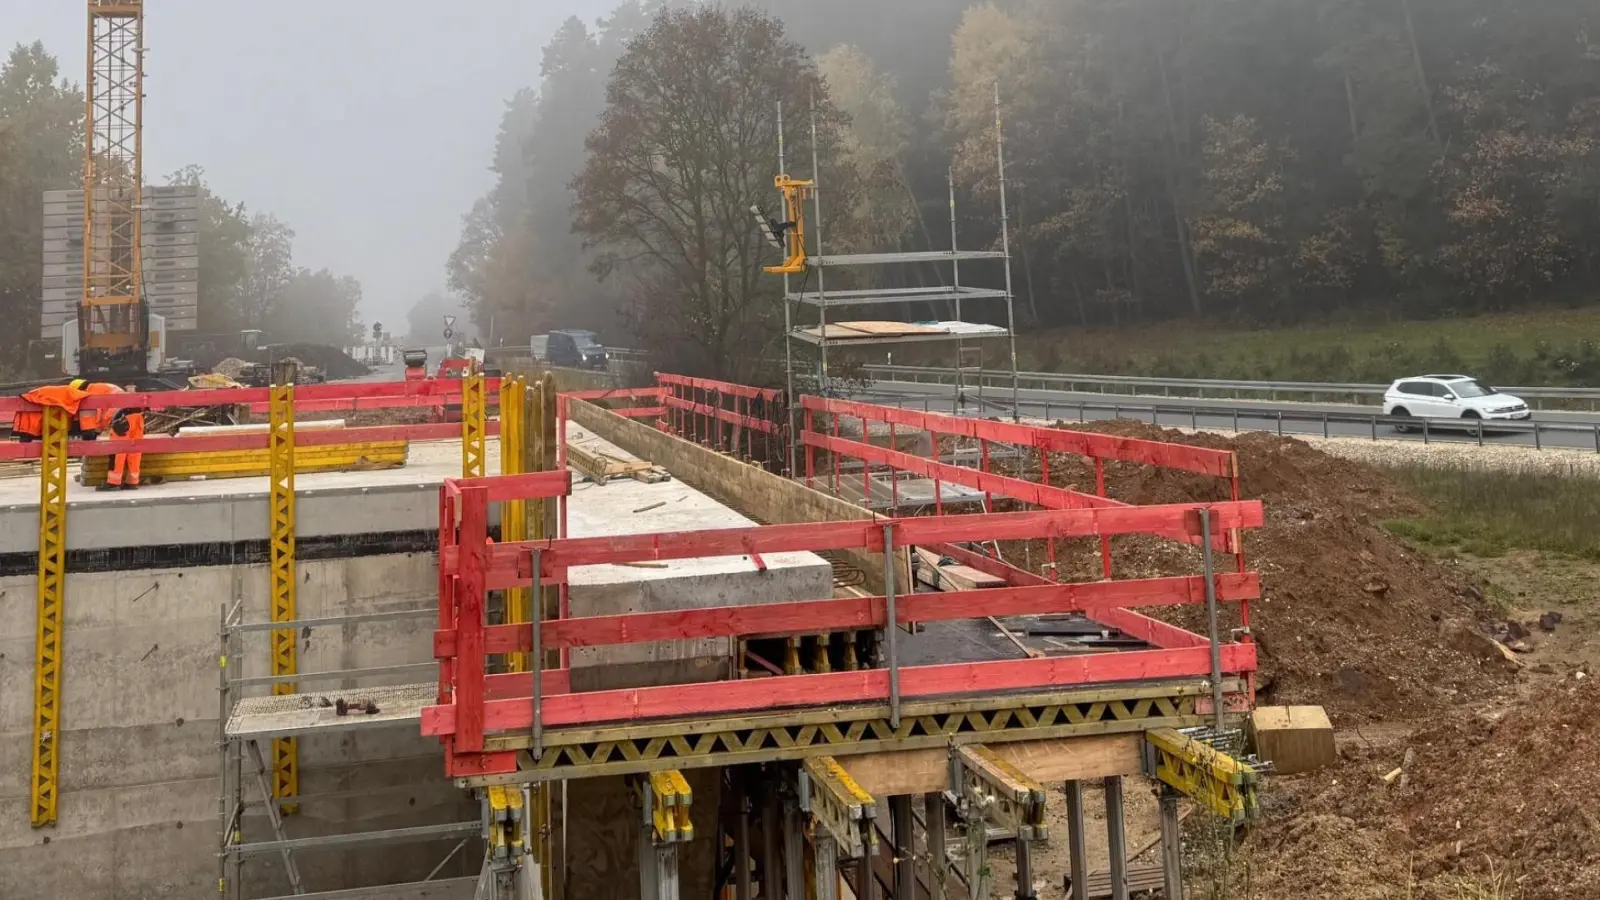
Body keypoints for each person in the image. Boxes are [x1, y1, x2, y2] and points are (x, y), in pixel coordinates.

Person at [99, 386, 145, 491]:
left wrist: (103, 427)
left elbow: (107, 415)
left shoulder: (105, 396)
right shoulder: (118, 392)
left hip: (121, 421)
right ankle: (132, 482)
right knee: (134, 452)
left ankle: (113, 483)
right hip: (138, 419)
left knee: (117, 453)